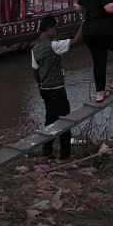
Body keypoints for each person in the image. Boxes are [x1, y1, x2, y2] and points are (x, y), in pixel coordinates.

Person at [31, 14, 82, 160]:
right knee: (65, 121)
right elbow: (76, 41)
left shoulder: (35, 49)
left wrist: (40, 85)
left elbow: (35, 70)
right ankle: (64, 155)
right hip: (57, 89)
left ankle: (47, 151)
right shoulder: (54, 45)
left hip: (45, 90)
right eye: (54, 28)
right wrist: (85, 23)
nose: (56, 31)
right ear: (48, 29)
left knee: (50, 120)